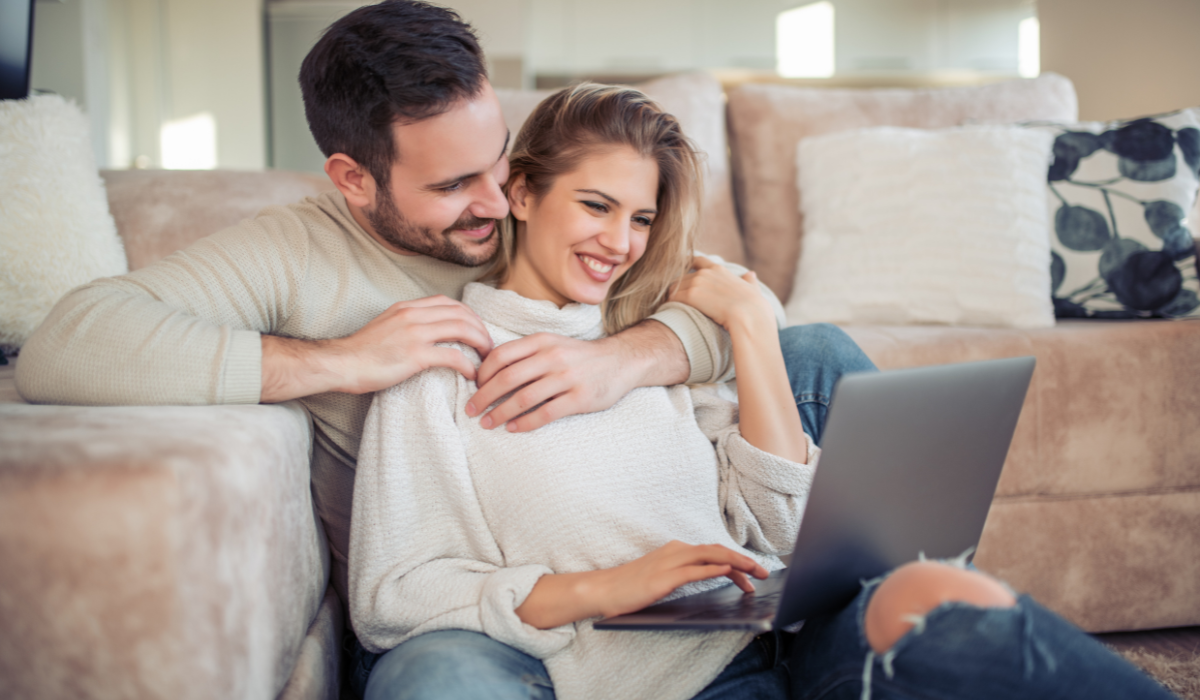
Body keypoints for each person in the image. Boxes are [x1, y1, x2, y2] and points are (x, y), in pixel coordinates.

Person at [14, 0, 872, 654]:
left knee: (820, 355)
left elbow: (735, 305)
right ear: (354, 178)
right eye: (455, 184)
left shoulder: (551, 213)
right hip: (473, 563)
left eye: (500, 157)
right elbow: (66, 345)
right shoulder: (292, 251)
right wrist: (341, 360)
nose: (498, 201)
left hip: (623, 503)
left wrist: (625, 358)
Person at [347, 83, 1174, 700]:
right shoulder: (441, 360)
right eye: (595, 205)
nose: (618, 242)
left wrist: (748, 322)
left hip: (774, 641)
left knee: (938, 590)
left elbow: (777, 527)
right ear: (521, 193)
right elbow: (394, 595)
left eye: (640, 219)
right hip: (659, 682)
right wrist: (609, 588)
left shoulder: (657, 344)